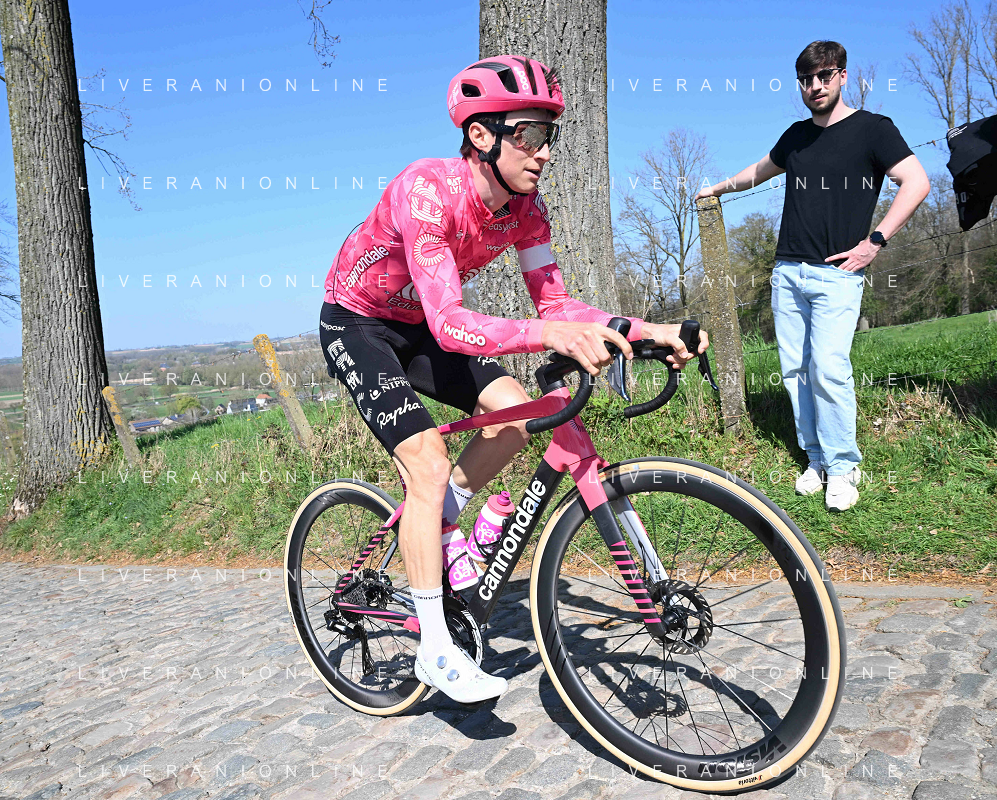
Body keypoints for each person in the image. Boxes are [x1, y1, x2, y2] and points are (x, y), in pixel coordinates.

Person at [318, 55, 709, 703]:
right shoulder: (426, 190)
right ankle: (435, 649)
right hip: (359, 324)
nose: (543, 152)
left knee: (520, 417)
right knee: (428, 463)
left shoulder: (526, 210)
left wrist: (648, 330)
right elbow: (451, 323)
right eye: (528, 134)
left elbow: (558, 306)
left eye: (548, 135)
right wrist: (552, 336)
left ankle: (441, 528)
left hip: (419, 327)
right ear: (481, 135)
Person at [696, 40, 929, 512]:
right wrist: (716, 188)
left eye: (824, 76)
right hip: (788, 272)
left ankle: (843, 467)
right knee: (796, 371)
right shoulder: (797, 135)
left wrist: (875, 242)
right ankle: (817, 457)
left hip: (837, 274)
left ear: (842, 76)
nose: (815, 86)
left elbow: (917, 182)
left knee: (828, 369)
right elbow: (760, 171)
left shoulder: (873, 129)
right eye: (806, 80)